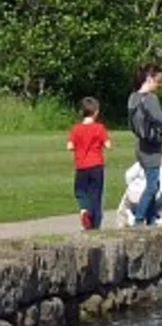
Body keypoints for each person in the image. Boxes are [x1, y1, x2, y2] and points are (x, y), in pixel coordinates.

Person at [127, 64, 162, 227]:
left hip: (140, 146)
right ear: (149, 79)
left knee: (152, 183)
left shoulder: (133, 97)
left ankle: (151, 217)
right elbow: (160, 120)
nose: (159, 85)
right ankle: (140, 218)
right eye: (158, 81)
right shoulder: (150, 99)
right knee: (152, 186)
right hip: (151, 148)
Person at [66, 96, 111, 230]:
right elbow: (108, 145)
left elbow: (69, 146)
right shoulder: (100, 128)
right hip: (96, 164)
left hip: (81, 166)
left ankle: (84, 209)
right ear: (96, 112)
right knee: (96, 194)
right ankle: (95, 224)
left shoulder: (76, 129)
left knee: (80, 191)